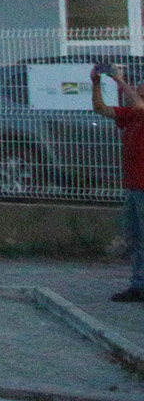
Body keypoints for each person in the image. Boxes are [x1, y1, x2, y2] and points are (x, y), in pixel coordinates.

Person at [91, 62, 144, 301]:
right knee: (135, 237)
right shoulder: (133, 116)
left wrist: (119, 80)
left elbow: (139, 104)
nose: (140, 86)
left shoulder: (140, 110)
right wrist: (95, 83)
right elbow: (101, 109)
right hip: (134, 186)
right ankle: (138, 285)